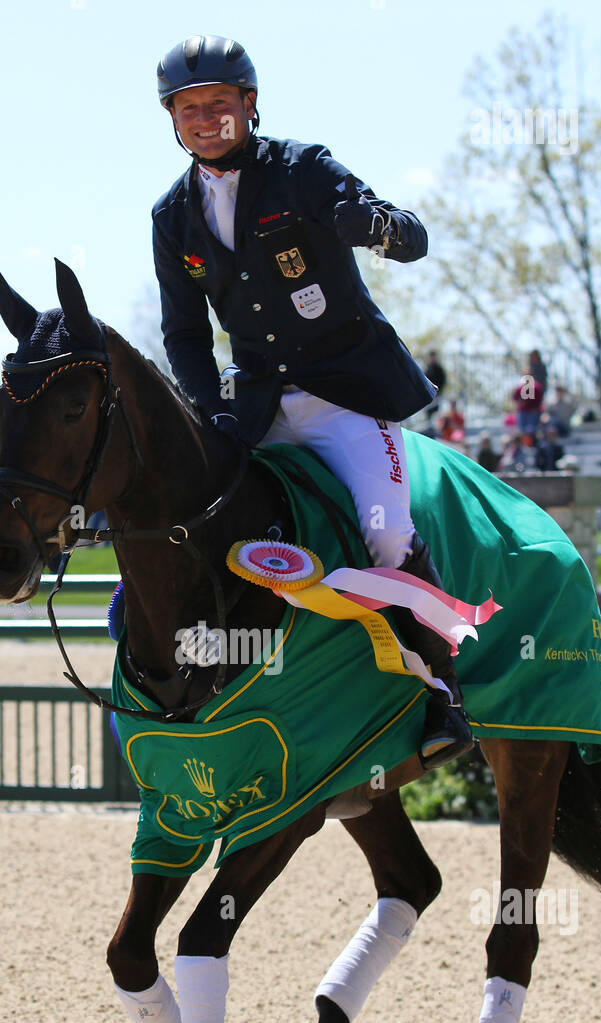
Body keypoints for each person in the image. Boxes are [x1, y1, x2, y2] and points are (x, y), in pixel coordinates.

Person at [152, 34, 473, 769]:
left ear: (249, 105)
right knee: (198, 525)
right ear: (172, 117)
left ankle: (441, 691)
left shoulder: (302, 169)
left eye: (219, 104)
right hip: (257, 406)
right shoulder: (171, 217)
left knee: (387, 533)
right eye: (189, 107)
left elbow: (413, 238)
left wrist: (378, 229)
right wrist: (210, 412)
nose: (206, 118)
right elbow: (184, 335)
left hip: (347, 396)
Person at [423, 349, 446, 432]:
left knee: (436, 417)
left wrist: (438, 392)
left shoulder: (439, 369)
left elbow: (442, 382)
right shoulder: (427, 369)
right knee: (428, 418)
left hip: (436, 397)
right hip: (428, 398)